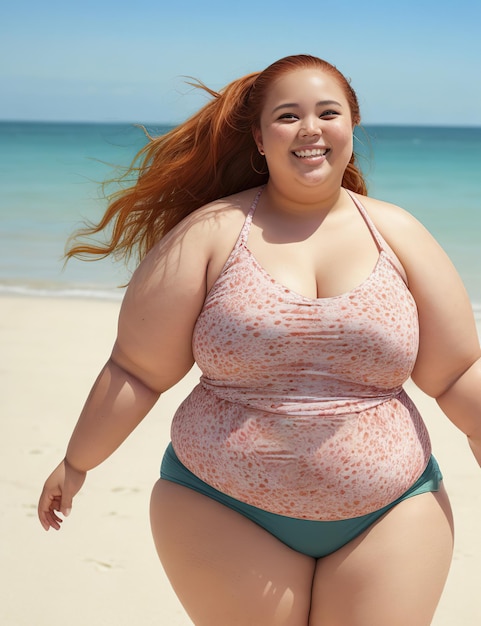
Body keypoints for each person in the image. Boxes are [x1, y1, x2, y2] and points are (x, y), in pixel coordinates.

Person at [38, 54, 481, 626]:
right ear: (260, 137)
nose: (310, 129)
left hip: (393, 510)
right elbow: (137, 370)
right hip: (222, 507)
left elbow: (457, 372)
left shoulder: (398, 232)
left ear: (352, 125)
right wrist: (77, 464)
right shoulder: (210, 233)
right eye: (288, 116)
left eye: (328, 112)